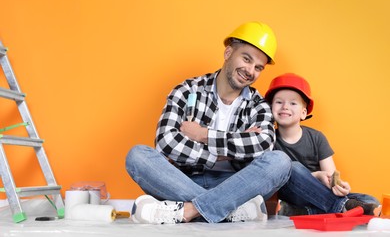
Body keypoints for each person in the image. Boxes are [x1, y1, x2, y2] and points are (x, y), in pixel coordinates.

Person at [125, 21, 293, 224]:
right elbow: (166, 141)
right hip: (183, 181)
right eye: (246, 59)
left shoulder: (258, 104)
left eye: (258, 67)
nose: (250, 70)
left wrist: (203, 135)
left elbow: (263, 144)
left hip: (238, 184)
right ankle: (229, 211)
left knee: (280, 162)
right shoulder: (188, 90)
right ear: (228, 53)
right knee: (137, 156)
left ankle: (189, 211)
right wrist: (220, 155)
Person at [264, 73, 381, 216]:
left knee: (371, 200)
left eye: (293, 103)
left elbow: (331, 176)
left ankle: (301, 212)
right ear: (270, 108)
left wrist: (339, 186)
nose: (285, 107)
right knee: (291, 167)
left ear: (303, 113)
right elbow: (273, 180)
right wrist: (316, 175)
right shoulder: (267, 139)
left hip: (320, 196)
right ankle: (342, 206)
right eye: (279, 102)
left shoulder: (316, 137)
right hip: (291, 194)